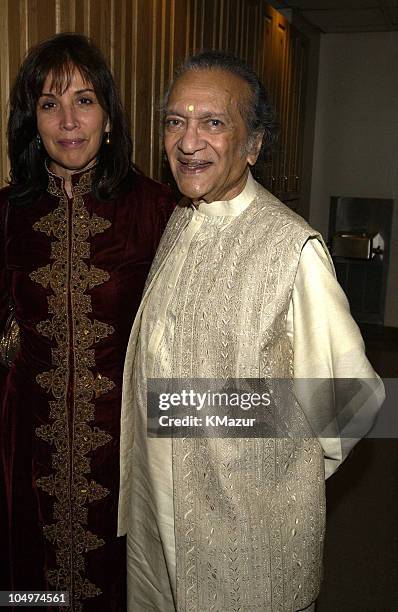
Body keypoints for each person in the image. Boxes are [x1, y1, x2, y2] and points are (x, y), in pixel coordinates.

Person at [117, 51, 385, 612]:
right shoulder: (181, 219)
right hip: (158, 518)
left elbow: (353, 400)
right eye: (175, 121)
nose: (189, 142)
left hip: (243, 535)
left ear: (253, 145)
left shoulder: (292, 251)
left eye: (214, 123)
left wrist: (215, 422)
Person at [0, 32, 174, 611]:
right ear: (33, 119)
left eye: (85, 99)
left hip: (125, 449)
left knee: (120, 582)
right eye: (49, 104)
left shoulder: (157, 209)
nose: (68, 120)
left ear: (108, 114)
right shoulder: (6, 213)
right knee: (27, 584)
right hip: (26, 443)